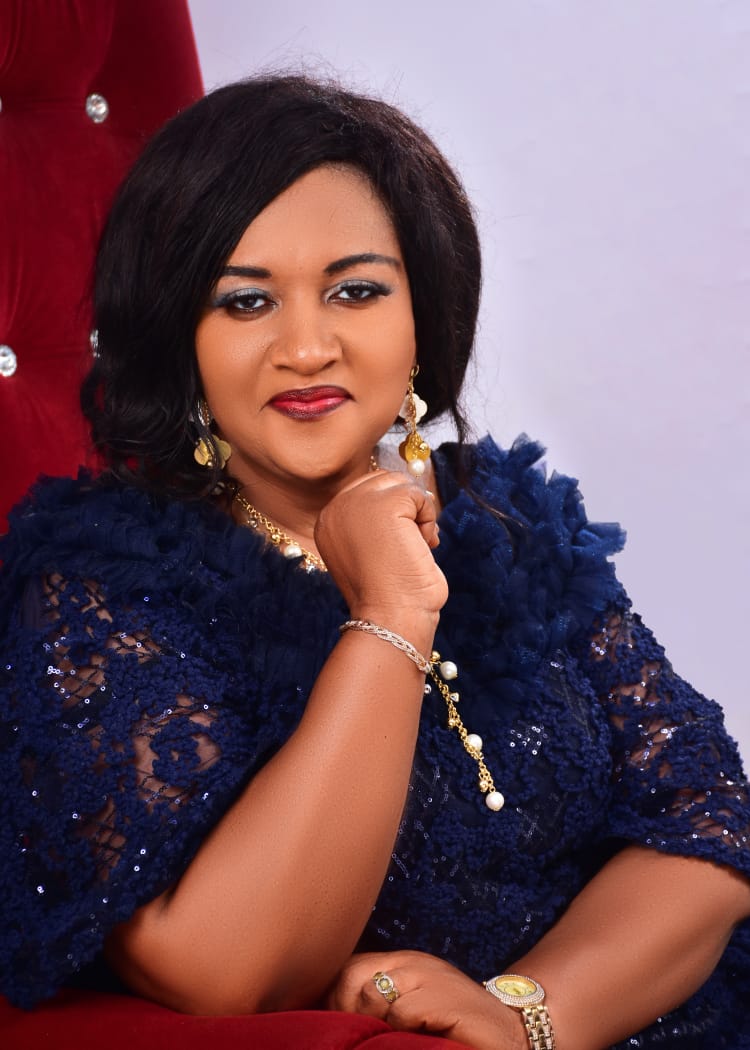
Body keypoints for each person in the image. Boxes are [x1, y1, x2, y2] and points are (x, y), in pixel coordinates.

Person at [1, 74, 749, 1050]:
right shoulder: (100, 585)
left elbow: (706, 819)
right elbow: (224, 970)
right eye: (245, 301)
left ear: (420, 314)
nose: (307, 347)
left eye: (355, 290)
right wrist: (391, 612)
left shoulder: (504, 516)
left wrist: (531, 1014)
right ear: (179, 337)